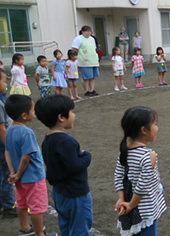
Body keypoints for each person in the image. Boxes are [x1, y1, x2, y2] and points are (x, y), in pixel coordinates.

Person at [36, 95, 92, 236]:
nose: (74, 115)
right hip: (75, 194)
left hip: (60, 192)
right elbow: (75, 167)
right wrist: (86, 156)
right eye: (72, 112)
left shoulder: (47, 139)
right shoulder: (66, 142)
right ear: (61, 117)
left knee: (66, 226)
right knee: (80, 229)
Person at [5, 95, 57, 236]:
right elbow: (26, 157)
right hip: (32, 177)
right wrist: (19, 173)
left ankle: (25, 227)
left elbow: (7, 152)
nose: (34, 113)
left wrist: (13, 173)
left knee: (21, 203)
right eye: (32, 110)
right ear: (24, 115)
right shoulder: (27, 132)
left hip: (18, 178)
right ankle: (39, 233)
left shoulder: (9, 129)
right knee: (36, 207)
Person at [114, 106, 166, 236]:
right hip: (144, 210)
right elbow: (143, 185)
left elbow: (118, 176)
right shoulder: (148, 155)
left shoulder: (124, 151)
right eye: (155, 124)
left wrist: (121, 199)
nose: (157, 128)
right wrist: (131, 204)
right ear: (144, 130)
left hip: (128, 205)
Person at [0, 65, 16, 219]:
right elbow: (1, 129)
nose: (6, 85)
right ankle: (9, 205)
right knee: (7, 174)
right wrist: (8, 147)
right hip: (2, 145)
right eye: (4, 82)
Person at [71, 25, 100, 96]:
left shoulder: (92, 39)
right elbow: (74, 49)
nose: (88, 32)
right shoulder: (78, 39)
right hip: (84, 61)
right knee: (86, 77)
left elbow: (94, 49)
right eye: (86, 31)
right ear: (82, 31)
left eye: (89, 31)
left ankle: (92, 89)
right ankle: (86, 90)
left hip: (93, 60)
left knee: (93, 76)